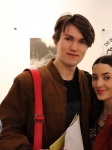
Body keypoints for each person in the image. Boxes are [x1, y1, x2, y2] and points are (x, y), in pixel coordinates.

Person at [0, 13, 95, 149]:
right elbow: (6, 128)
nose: (74, 47)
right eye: (68, 39)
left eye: (82, 41)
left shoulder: (87, 82)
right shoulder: (27, 81)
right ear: (56, 41)